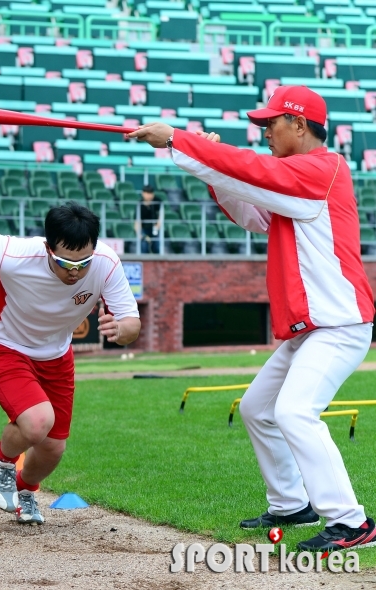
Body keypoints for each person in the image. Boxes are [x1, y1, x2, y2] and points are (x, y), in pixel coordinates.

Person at [128, 85, 376, 552]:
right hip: (314, 327)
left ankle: (352, 521)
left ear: (299, 126)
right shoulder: (293, 181)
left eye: (271, 123)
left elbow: (254, 173)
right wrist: (214, 164)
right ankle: (290, 505)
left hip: (339, 324)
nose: (264, 130)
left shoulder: (323, 168)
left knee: (294, 412)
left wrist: (178, 139)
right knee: (257, 409)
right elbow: (249, 210)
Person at [0, 202, 141, 525]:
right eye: (65, 262)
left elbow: (131, 324)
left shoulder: (106, 264)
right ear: (47, 248)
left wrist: (120, 330)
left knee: (53, 448)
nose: (75, 272)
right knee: (38, 422)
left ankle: (25, 492)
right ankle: (3, 460)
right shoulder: (14, 255)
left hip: (54, 353)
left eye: (83, 263)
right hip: (1, 343)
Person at [134, 185, 161, 254]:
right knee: (144, 246)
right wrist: (139, 234)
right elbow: (137, 221)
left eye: (151, 193)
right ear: (143, 193)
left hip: (154, 228)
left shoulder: (157, 201)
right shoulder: (139, 204)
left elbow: (160, 215)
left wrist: (157, 226)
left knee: (157, 246)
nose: (149, 195)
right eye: (147, 193)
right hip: (144, 228)